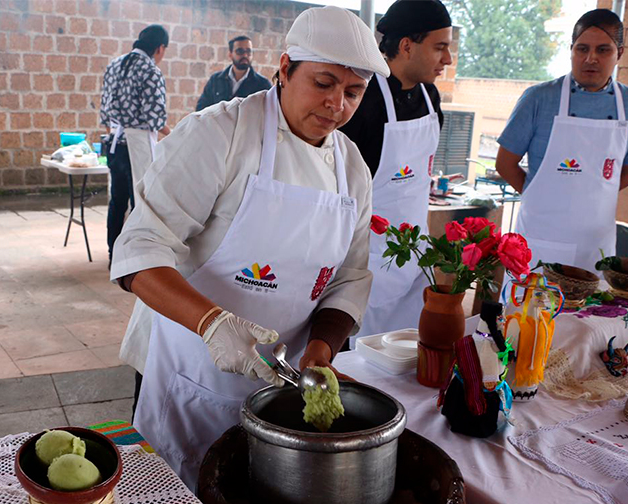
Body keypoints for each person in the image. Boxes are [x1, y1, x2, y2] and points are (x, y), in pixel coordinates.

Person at [109, 5, 388, 489]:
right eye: (323, 83)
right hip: (193, 375)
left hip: (282, 390)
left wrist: (321, 348)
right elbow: (139, 251)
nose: (336, 105)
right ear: (284, 69)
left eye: (353, 92)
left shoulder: (352, 168)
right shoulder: (219, 134)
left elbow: (348, 279)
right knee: (179, 487)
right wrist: (213, 323)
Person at [495, 9, 628, 273]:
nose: (590, 58)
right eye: (582, 49)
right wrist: (540, 196)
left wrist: (591, 197)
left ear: (620, 53)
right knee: (530, 312)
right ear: (571, 50)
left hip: (596, 243)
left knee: (592, 312)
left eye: (603, 50)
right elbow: (505, 163)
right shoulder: (538, 98)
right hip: (540, 236)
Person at [340, 0, 451, 343]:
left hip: (414, 262)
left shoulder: (430, 97)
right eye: (440, 48)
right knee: (360, 357)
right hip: (365, 264)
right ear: (406, 46)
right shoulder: (364, 100)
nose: (447, 60)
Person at [100, 24, 171, 260]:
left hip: (114, 143)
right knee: (141, 203)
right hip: (137, 146)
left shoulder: (114, 64)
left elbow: (104, 111)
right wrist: (176, 134)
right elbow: (155, 118)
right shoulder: (150, 71)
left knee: (117, 201)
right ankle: (134, 258)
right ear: (160, 48)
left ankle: (114, 254)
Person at [196, 35, 272, 111]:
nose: (245, 55)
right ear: (230, 54)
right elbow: (201, 109)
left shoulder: (262, 84)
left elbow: (269, 113)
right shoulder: (215, 80)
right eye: (240, 51)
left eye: (248, 51)